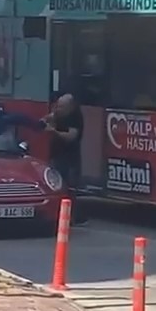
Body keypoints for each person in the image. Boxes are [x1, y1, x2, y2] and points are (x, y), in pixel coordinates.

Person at [44, 93, 86, 226]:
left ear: (70, 107)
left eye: (62, 106)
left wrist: (54, 131)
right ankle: (59, 215)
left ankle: (74, 217)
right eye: (58, 106)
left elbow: (71, 137)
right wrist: (44, 121)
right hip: (56, 155)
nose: (58, 109)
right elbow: (48, 118)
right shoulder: (59, 114)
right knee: (56, 186)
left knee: (69, 188)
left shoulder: (75, 118)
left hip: (69, 158)